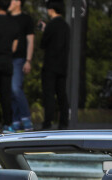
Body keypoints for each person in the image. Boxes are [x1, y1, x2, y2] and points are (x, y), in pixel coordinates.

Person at [0, 0, 19, 133]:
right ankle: (7, 124)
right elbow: (14, 47)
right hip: (7, 61)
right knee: (5, 94)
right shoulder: (13, 23)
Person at [40, 1, 70, 130]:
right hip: (62, 65)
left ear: (51, 9)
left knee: (49, 95)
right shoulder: (66, 26)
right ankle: (63, 123)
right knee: (62, 94)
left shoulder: (51, 26)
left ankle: (48, 123)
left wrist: (44, 30)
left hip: (50, 65)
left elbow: (43, 44)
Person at [8, 0, 35, 131]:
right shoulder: (6, 18)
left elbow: (30, 41)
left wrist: (28, 60)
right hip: (6, 59)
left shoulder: (26, 19)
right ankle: (16, 121)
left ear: (18, 2)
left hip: (19, 59)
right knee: (11, 91)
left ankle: (26, 118)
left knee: (15, 88)